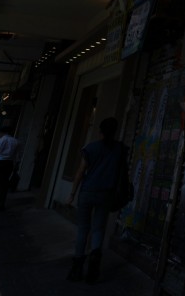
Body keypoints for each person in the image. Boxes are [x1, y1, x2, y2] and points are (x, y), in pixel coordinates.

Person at [67, 116, 127, 284]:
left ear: (100, 131)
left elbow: (80, 172)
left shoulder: (90, 148)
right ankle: (95, 258)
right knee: (98, 229)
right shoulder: (120, 149)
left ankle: (77, 266)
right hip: (105, 194)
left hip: (87, 192)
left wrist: (72, 193)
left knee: (83, 229)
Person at [0, 122, 18, 211]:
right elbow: (16, 155)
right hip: (8, 164)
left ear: (1, 133)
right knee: (3, 184)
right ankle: (0, 203)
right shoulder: (15, 142)